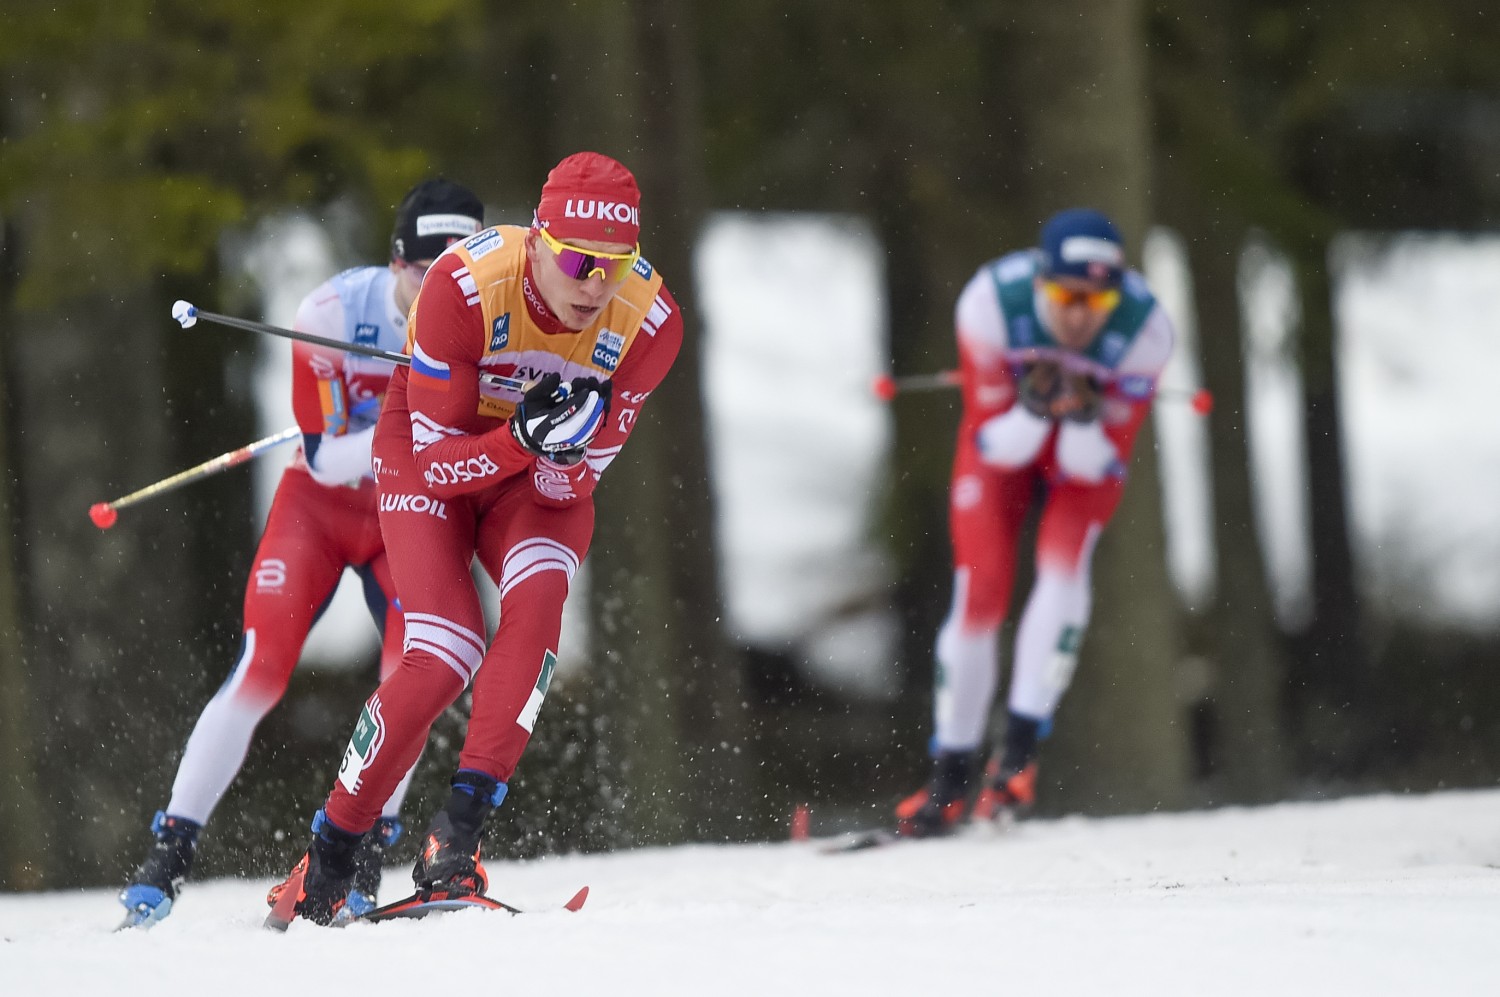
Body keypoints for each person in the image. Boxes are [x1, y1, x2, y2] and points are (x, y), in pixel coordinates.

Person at [266, 151, 683, 926]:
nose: (597, 283)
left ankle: (454, 838)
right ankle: (329, 854)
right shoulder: (462, 285)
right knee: (443, 654)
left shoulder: (649, 321)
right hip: (436, 455)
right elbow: (436, 465)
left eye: (616, 265)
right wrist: (524, 437)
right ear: (538, 243)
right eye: (579, 261)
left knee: (540, 595)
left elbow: (568, 489)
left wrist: (562, 448)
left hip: (532, 474)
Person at [118, 179, 486, 926]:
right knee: (261, 665)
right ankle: (170, 851)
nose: (441, 292)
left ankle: (362, 856)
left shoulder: (488, 326)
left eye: (461, 277)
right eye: (426, 275)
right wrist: (408, 417)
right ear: (395, 264)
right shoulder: (330, 313)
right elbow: (322, 458)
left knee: (410, 679)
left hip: (404, 521)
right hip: (320, 512)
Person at [894, 207, 1175, 838]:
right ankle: (949, 777)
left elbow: (1098, 460)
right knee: (981, 594)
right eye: (1065, 296)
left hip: (1084, 452)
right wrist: (1033, 407)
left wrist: (1077, 418)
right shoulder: (991, 303)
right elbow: (996, 446)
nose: (1081, 315)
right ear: (1043, 283)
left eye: (1097, 299)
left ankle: (1017, 757)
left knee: (1063, 568)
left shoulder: (1147, 330)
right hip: (1003, 444)